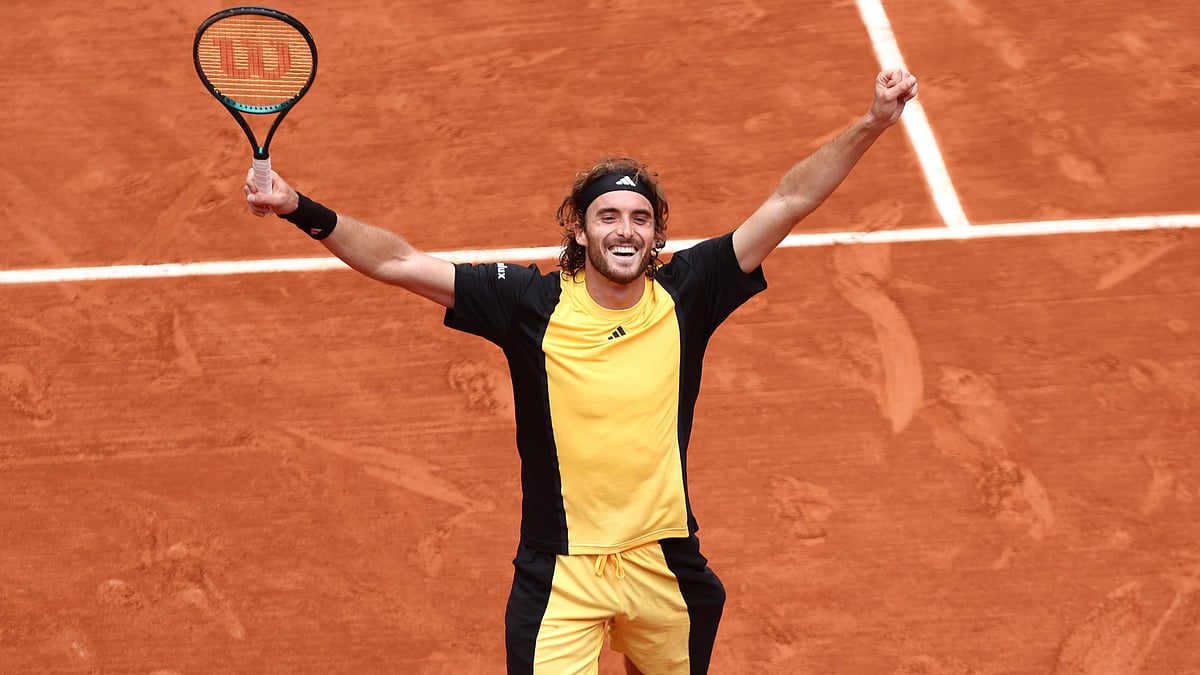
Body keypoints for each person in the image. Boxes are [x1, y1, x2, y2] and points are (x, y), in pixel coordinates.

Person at [244, 68, 918, 675]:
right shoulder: (526, 304)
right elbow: (398, 262)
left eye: (640, 218)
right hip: (560, 573)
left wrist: (873, 123)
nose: (625, 229)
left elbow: (790, 199)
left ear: (655, 238)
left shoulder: (691, 290)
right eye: (608, 216)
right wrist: (301, 207)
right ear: (579, 231)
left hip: (663, 564)